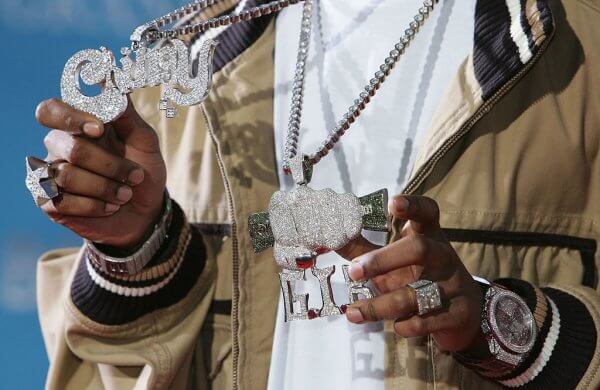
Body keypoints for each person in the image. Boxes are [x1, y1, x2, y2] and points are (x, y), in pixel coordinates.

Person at [29, 0, 599, 389]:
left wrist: (506, 326)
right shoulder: (182, 70)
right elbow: (106, 364)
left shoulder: (581, 52)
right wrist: (133, 245)